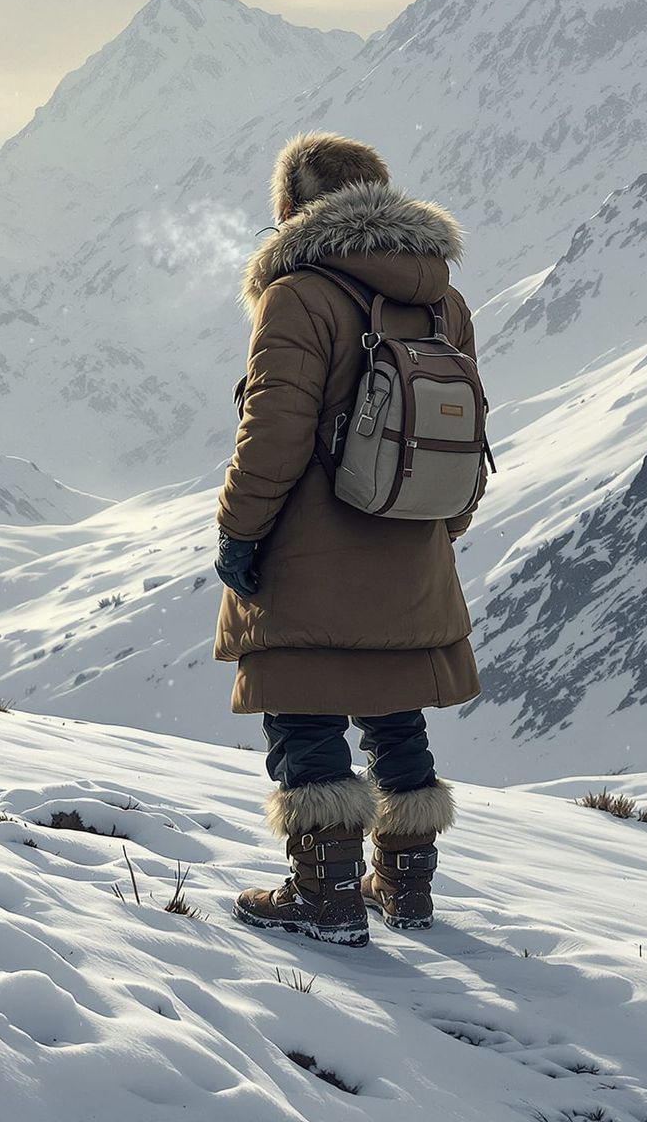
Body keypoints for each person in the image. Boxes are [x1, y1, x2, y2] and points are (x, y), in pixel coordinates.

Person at [212, 132, 483, 948]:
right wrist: (440, 528)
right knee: (396, 712)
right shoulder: (442, 299)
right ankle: (405, 886)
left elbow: (273, 433)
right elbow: (463, 430)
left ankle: (323, 894)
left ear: (292, 209)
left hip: (311, 544)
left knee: (304, 708)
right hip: (413, 537)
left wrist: (239, 528)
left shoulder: (298, 294)